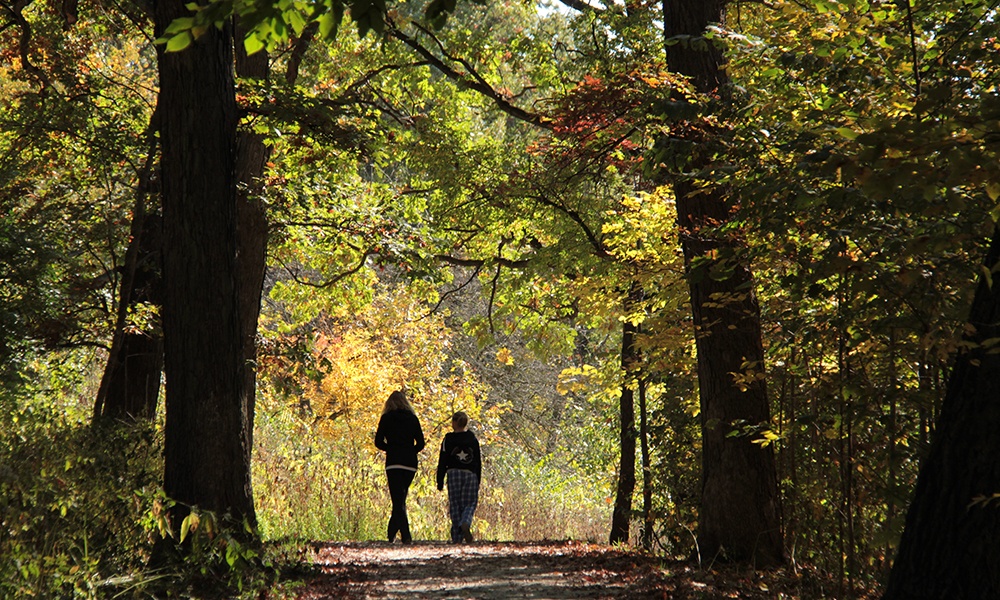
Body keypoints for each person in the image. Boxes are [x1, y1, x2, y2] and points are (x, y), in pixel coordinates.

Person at [374, 390, 425, 544]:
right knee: (400, 498)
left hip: (394, 462)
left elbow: (378, 442)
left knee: (398, 499)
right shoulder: (413, 419)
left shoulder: (386, 418)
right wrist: (410, 451)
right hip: (410, 463)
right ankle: (392, 532)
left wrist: (390, 448)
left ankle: (405, 535)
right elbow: (421, 443)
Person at [436, 411, 481, 543]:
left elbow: (442, 460)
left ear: (454, 423)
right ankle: (466, 522)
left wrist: (440, 480)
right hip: (470, 474)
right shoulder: (472, 439)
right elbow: (478, 460)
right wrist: (477, 478)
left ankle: (457, 538)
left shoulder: (448, 439)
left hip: (453, 473)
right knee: (470, 503)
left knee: (455, 504)